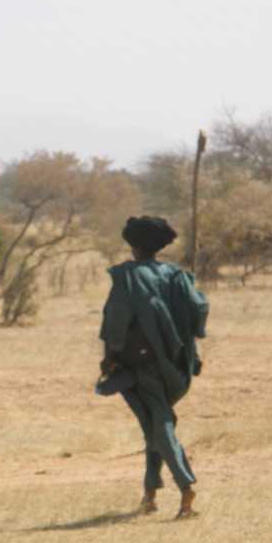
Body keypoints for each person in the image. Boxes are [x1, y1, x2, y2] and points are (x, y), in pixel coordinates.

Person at [98, 216, 209, 519]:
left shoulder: (127, 277)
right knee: (155, 422)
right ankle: (150, 495)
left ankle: (186, 488)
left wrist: (110, 355)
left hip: (142, 367)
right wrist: (193, 333)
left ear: (134, 246)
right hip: (177, 369)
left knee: (160, 428)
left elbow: (116, 321)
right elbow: (199, 307)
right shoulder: (177, 275)